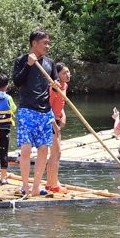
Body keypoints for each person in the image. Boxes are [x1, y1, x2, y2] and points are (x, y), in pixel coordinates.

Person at [12, 30, 57, 196]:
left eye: (48, 42)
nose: (47, 46)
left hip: (45, 111)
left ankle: (37, 186)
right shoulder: (22, 60)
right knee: (25, 148)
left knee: (44, 148)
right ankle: (25, 185)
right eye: (44, 43)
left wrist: (56, 85)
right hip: (26, 110)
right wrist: (28, 65)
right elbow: (17, 81)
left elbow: (54, 82)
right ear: (34, 44)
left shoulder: (50, 63)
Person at [47, 63, 70, 193]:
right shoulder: (53, 88)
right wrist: (54, 124)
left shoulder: (64, 86)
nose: (67, 75)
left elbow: (60, 104)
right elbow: (47, 107)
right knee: (56, 152)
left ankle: (51, 182)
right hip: (49, 122)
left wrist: (63, 115)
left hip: (57, 119)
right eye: (64, 73)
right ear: (57, 75)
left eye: (68, 72)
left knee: (56, 153)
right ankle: (53, 184)